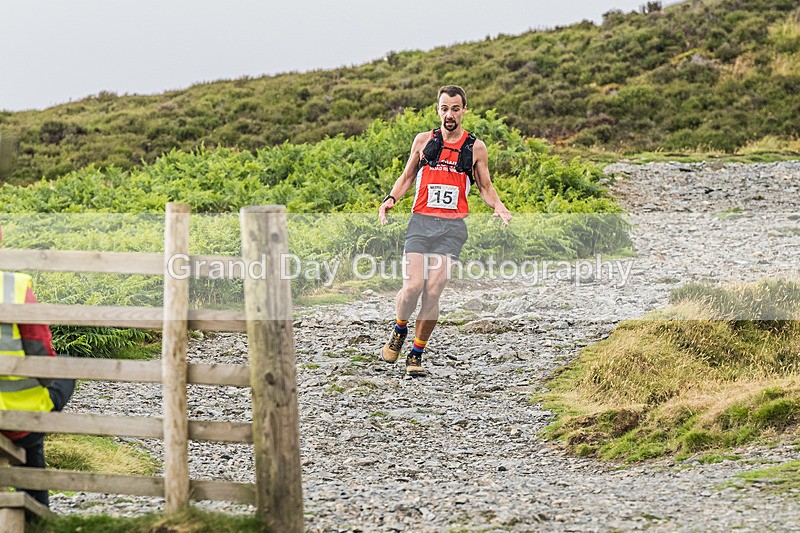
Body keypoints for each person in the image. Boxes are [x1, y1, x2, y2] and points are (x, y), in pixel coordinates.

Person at [378, 85, 512, 376]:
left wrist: (499, 206)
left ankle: (416, 354)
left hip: (451, 228)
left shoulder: (475, 147)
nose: (449, 114)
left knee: (433, 290)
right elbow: (407, 176)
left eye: (455, 109)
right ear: (438, 110)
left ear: (464, 110)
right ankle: (399, 329)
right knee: (412, 287)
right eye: (444, 108)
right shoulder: (424, 140)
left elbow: (485, 187)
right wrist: (391, 199)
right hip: (420, 222)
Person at [0, 225, 75, 508]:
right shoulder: (13, 289)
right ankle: (34, 514)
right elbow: (41, 352)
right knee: (67, 368)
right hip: (17, 417)